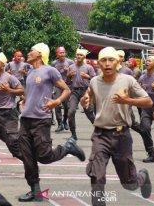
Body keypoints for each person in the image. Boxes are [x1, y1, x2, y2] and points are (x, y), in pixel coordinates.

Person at [80, 47, 152, 205]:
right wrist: (85, 100)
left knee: (129, 183)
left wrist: (128, 101)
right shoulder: (94, 81)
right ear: (98, 63)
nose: (107, 64)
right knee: (96, 177)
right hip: (100, 136)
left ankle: (142, 177)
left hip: (121, 136)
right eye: (103, 60)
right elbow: (89, 95)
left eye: (111, 60)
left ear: (118, 62)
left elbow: (148, 101)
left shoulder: (128, 80)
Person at [18, 43, 85, 202]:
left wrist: (57, 101)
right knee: (28, 157)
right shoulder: (30, 72)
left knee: (44, 156)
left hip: (41, 120)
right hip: (26, 120)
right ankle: (35, 191)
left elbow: (67, 90)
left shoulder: (50, 70)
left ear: (40, 54)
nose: (29, 52)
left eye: (31, 50)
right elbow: (31, 93)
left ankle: (68, 147)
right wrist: (24, 101)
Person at [134, 56, 154, 162]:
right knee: (144, 129)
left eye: (149, 60)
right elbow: (138, 91)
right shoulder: (142, 77)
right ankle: (151, 154)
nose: (146, 62)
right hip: (146, 107)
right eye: (146, 61)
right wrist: (140, 90)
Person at [66, 48, 96, 140]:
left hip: (85, 91)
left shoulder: (88, 67)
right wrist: (69, 75)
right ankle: (73, 134)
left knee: (90, 113)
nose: (79, 56)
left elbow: (95, 80)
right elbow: (67, 81)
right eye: (77, 54)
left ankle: (99, 131)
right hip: (74, 91)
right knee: (71, 112)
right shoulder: (71, 67)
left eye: (81, 55)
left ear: (84, 57)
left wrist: (88, 76)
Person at [51, 46, 74, 133]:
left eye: (63, 52)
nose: (62, 54)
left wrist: (68, 72)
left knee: (67, 106)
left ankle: (65, 121)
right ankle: (60, 123)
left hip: (67, 85)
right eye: (60, 53)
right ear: (57, 54)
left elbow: (73, 75)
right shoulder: (54, 63)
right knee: (57, 104)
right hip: (58, 86)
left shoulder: (70, 62)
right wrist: (55, 71)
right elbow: (51, 75)